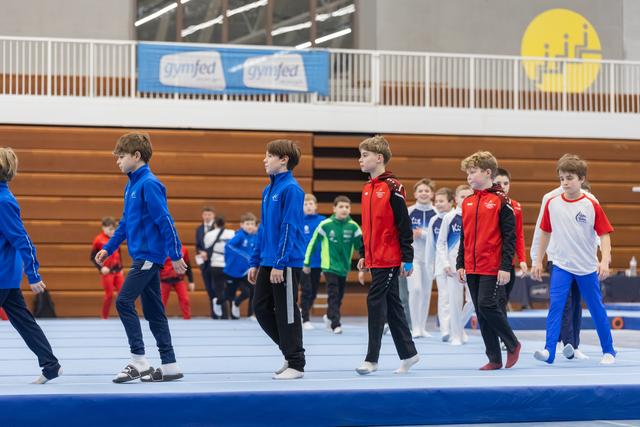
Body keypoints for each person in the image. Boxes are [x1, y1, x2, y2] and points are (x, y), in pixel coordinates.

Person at [96, 132, 185, 383]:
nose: (117, 161)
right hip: (142, 256)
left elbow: (165, 220)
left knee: (123, 301)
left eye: (121, 156)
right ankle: (170, 365)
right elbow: (125, 223)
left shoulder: (149, 183)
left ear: (137, 156)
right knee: (154, 311)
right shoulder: (131, 184)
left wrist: (176, 254)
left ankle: (139, 361)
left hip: (148, 257)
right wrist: (110, 248)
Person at [531, 154, 616, 365]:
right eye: (561, 178)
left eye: (569, 178)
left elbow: (604, 234)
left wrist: (605, 261)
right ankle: (549, 351)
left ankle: (609, 351)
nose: (565, 182)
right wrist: (537, 260)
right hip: (561, 264)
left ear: (581, 179)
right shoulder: (552, 203)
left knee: (596, 309)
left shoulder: (590, 204)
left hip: (586, 267)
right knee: (556, 307)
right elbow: (545, 233)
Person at [355, 135, 419, 375]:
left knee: (375, 301)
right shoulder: (367, 188)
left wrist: (407, 256)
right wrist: (364, 252)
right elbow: (368, 226)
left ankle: (371, 359)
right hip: (375, 256)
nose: (360, 160)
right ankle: (409, 354)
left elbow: (404, 224)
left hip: (391, 257)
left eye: (365, 155)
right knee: (393, 307)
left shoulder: (393, 187)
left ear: (379, 158)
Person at [0, 147, 62, 384]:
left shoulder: (4, 202)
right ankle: (51, 365)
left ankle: (50, 364)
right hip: (5, 276)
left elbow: (22, 240)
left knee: (24, 322)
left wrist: (33, 274)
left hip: (3, 274)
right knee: (24, 322)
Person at [456, 151, 521, 370]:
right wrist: (460, 263)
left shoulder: (501, 200)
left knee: (487, 304)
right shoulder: (468, 202)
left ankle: (512, 343)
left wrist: (505, 266)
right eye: (468, 172)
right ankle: (494, 357)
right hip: (472, 264)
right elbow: (464, 236)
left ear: (487, 173)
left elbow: (510, 236)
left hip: (492, 265)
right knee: (480, 311)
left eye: (472, 172)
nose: (469, 176)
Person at [248, 139, 306, 380]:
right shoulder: (268, 190)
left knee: (287, 312)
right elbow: (264, 228)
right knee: (260, 309)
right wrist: (255, 261)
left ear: (284, 160)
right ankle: (288, 351)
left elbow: (289, 227)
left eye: (269, 156)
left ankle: (296, 362)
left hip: (286, 262)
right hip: (268, 260)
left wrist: (280, 263)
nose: (264, 160)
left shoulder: (291, 189)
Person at [304, 195, 364, 334]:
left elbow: (361, 247)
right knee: (333, 294)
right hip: (329, 266)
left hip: (344, 267)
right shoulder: (326, 225)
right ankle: (336, 324)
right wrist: (306, 262)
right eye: (341, 207)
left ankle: (330, 315)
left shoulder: (354, 227)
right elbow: (313, 243)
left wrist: (365, 262)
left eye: (347, 207)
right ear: (334, 209)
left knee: (340, 295)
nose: (344, 209)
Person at [436, 185, 475, 346]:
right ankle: (457, 335)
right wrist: (445, 263)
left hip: (473, 265)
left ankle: (458, 327)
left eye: (468, 196)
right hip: (453, 266)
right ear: (456, 199)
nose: (465, 199)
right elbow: (441, 242)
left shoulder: (476, 216)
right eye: (462, 196)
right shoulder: (449, 217)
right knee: (454, 301)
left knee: (473, 301)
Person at [407, 179, 437, 338]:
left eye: (427, 191)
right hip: (412, 258)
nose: (424, 193)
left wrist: (423, 234)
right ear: (415, 194)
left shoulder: (437, 213)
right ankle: (415, 327)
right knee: (415, 289)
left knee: (425, 292)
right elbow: (400, 233)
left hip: (430, 259)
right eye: (420, 191)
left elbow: (439, 236)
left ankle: (422, 327)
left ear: (432, 194)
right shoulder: (409, 211)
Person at [493, 168, 528, 306]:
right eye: (498, 183)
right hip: (490, 264)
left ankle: (499, 328)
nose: (502, 187)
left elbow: (518, 234)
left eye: (506, 183)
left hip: (508, 263)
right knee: (494, 303)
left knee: (503, 301)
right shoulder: (486, 204)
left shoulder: (516, 206)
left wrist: (523, 259)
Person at [224, 212, 258, 319]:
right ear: (242, 225)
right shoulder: (240, 235)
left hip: (245, 270)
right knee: (229, 294)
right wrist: (245, 255)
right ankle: (218, 301)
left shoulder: (254, 237)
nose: (250, 226)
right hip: (233, 270)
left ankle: (248, 312)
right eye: (247, 224)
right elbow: (228, 245)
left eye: (252, 224)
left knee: (250, 290)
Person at [300, 194, 326, 330]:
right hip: (303, 263)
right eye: (305, 204)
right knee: (306, 290)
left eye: (311, 204)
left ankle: (302, 311)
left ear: (315, 206)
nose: (308, 206)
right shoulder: (298, 221)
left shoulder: (322, 221)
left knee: (314, 291)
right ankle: (305, 318)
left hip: (318, 262)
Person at [91, 217, 124, 319]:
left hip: (117, 271)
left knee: (123, 294)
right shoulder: (98, 240)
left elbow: (119, 253)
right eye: (109, 229)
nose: (112, 231)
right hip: (107, 272)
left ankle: (125, 316)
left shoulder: (115, 238)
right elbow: (92, 257)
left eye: (113, 229)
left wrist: (121, 267)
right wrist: (101, 269)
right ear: (103, 228)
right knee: (109, 295)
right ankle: (104, 317)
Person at [204, 216, 235, 319]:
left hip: (216, 264)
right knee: (231, 290)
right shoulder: (231, 233)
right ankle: (232, 315)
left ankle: (223, 314)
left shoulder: (209, 234)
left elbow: (206, 246)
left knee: (219, 290)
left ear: (215, 224)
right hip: (229, 265)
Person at [160, 246, 195, 320]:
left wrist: (191, 281)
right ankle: (158, 319)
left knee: (185, 299)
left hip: (179, 278)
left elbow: (187, 265)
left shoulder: (184, 249)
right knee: (161, 302)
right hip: (165, 279)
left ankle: (187, 319)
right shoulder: (162, 247)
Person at [195, 207, 216, 318]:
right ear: (203, 216)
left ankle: (221, 313)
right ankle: (213, 313)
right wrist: (201, 252)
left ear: (213, 216)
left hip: (215, 262)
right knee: (208, 288)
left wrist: (208, 253)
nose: (207, 217)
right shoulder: (199, 229)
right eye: (205, 215)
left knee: (216, 288)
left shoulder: (217, 228)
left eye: (209, 215)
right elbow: (197, 245)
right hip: (204, 263)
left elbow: (219, 245)